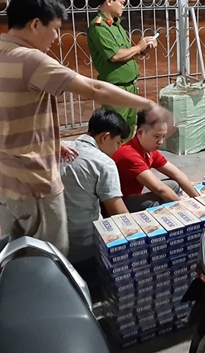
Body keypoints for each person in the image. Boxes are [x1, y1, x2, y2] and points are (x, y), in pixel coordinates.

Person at [0, 0, 171, 255]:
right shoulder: (29, 59)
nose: (56, 37)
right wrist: (148, 104)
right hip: (32, 184)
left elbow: (6, 117)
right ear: (35, 24)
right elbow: (94, 88)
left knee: (18, 252)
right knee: (50, 257)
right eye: (54, 29)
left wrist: (52, 142)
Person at [61, 109, 130, 283]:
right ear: (105, 137)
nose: (117, 149)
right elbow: (118, 213)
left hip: (51, 244)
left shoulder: (59, 147)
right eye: (117, 142)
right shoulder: (103, 163)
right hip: (84, 249)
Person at [87, 0, 157, 139]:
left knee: (129, 130)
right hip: (115, 89)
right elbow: (116, 56)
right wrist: (138, 47)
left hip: (129, 87)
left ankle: (125, 155)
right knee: (116, 132)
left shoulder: (115, 25)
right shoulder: (99, 27)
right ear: (109, 1)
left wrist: (144, 50)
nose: (124, 7)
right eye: (121, 3)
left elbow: (127, 53)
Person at [113, 110, 200, 211]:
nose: (161, 141)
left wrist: (198, 200)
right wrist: (187, 210)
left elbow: (177, 174)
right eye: (157, 136)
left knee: (173, 185)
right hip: (121, 203)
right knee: (155, 201)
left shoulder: (149, 151)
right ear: (140, 132)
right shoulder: (129, 155)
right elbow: (160, 189)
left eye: (163, 136)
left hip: (134, 195)